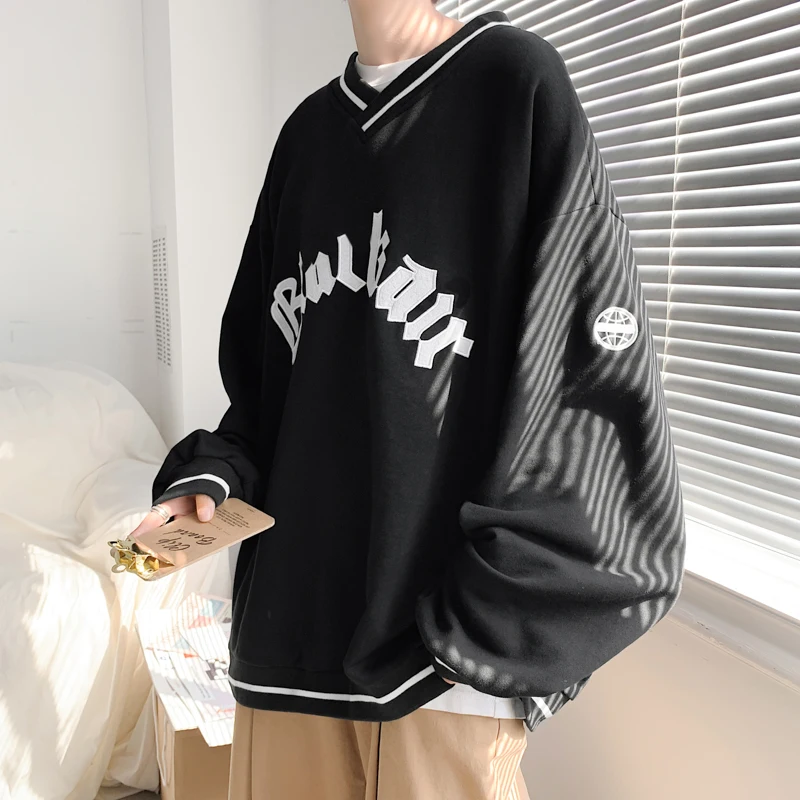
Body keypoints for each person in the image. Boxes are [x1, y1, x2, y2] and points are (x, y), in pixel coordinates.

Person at [131, 1, 686, 797]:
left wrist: (476, 626)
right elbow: (266, 399)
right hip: (286, 650)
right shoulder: (308, 137)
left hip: (435, 667)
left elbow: (589, 391)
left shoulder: (513, 86)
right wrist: (211, 478)